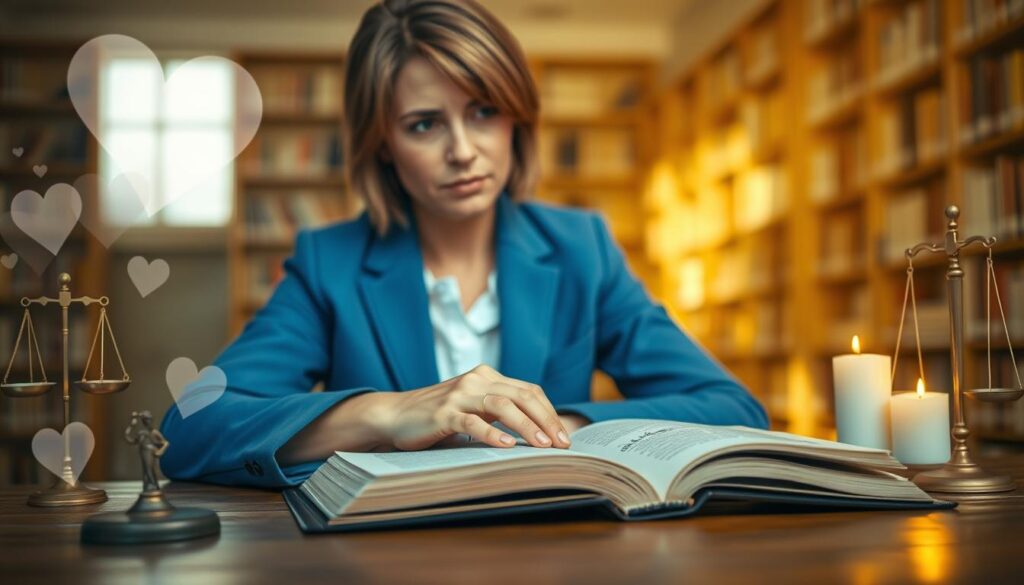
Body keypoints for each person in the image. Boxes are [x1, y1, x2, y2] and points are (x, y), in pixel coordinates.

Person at [159, 0, 768, 488]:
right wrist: (388, 414)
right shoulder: (330, 263)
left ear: (516, 119)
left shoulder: (582, 248)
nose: (463, 150)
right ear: (382, 144)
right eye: (424, 124)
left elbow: (734, 409)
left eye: (483, 113)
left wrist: (557, 425)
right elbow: (190, 427)